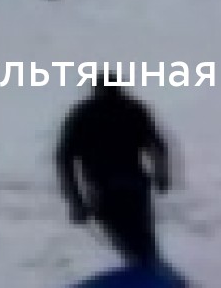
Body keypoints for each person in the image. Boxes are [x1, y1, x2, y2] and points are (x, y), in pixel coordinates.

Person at [56, 77, 172, 264]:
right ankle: (152, 272)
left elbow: (64, 158)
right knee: (143, 243)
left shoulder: (83, 115)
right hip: (135, 186)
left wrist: (76, 202)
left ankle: (149, 274)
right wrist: (162, 175)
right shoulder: (133, 109)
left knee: (131, 246)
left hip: (104, 190)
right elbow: (157, 145)